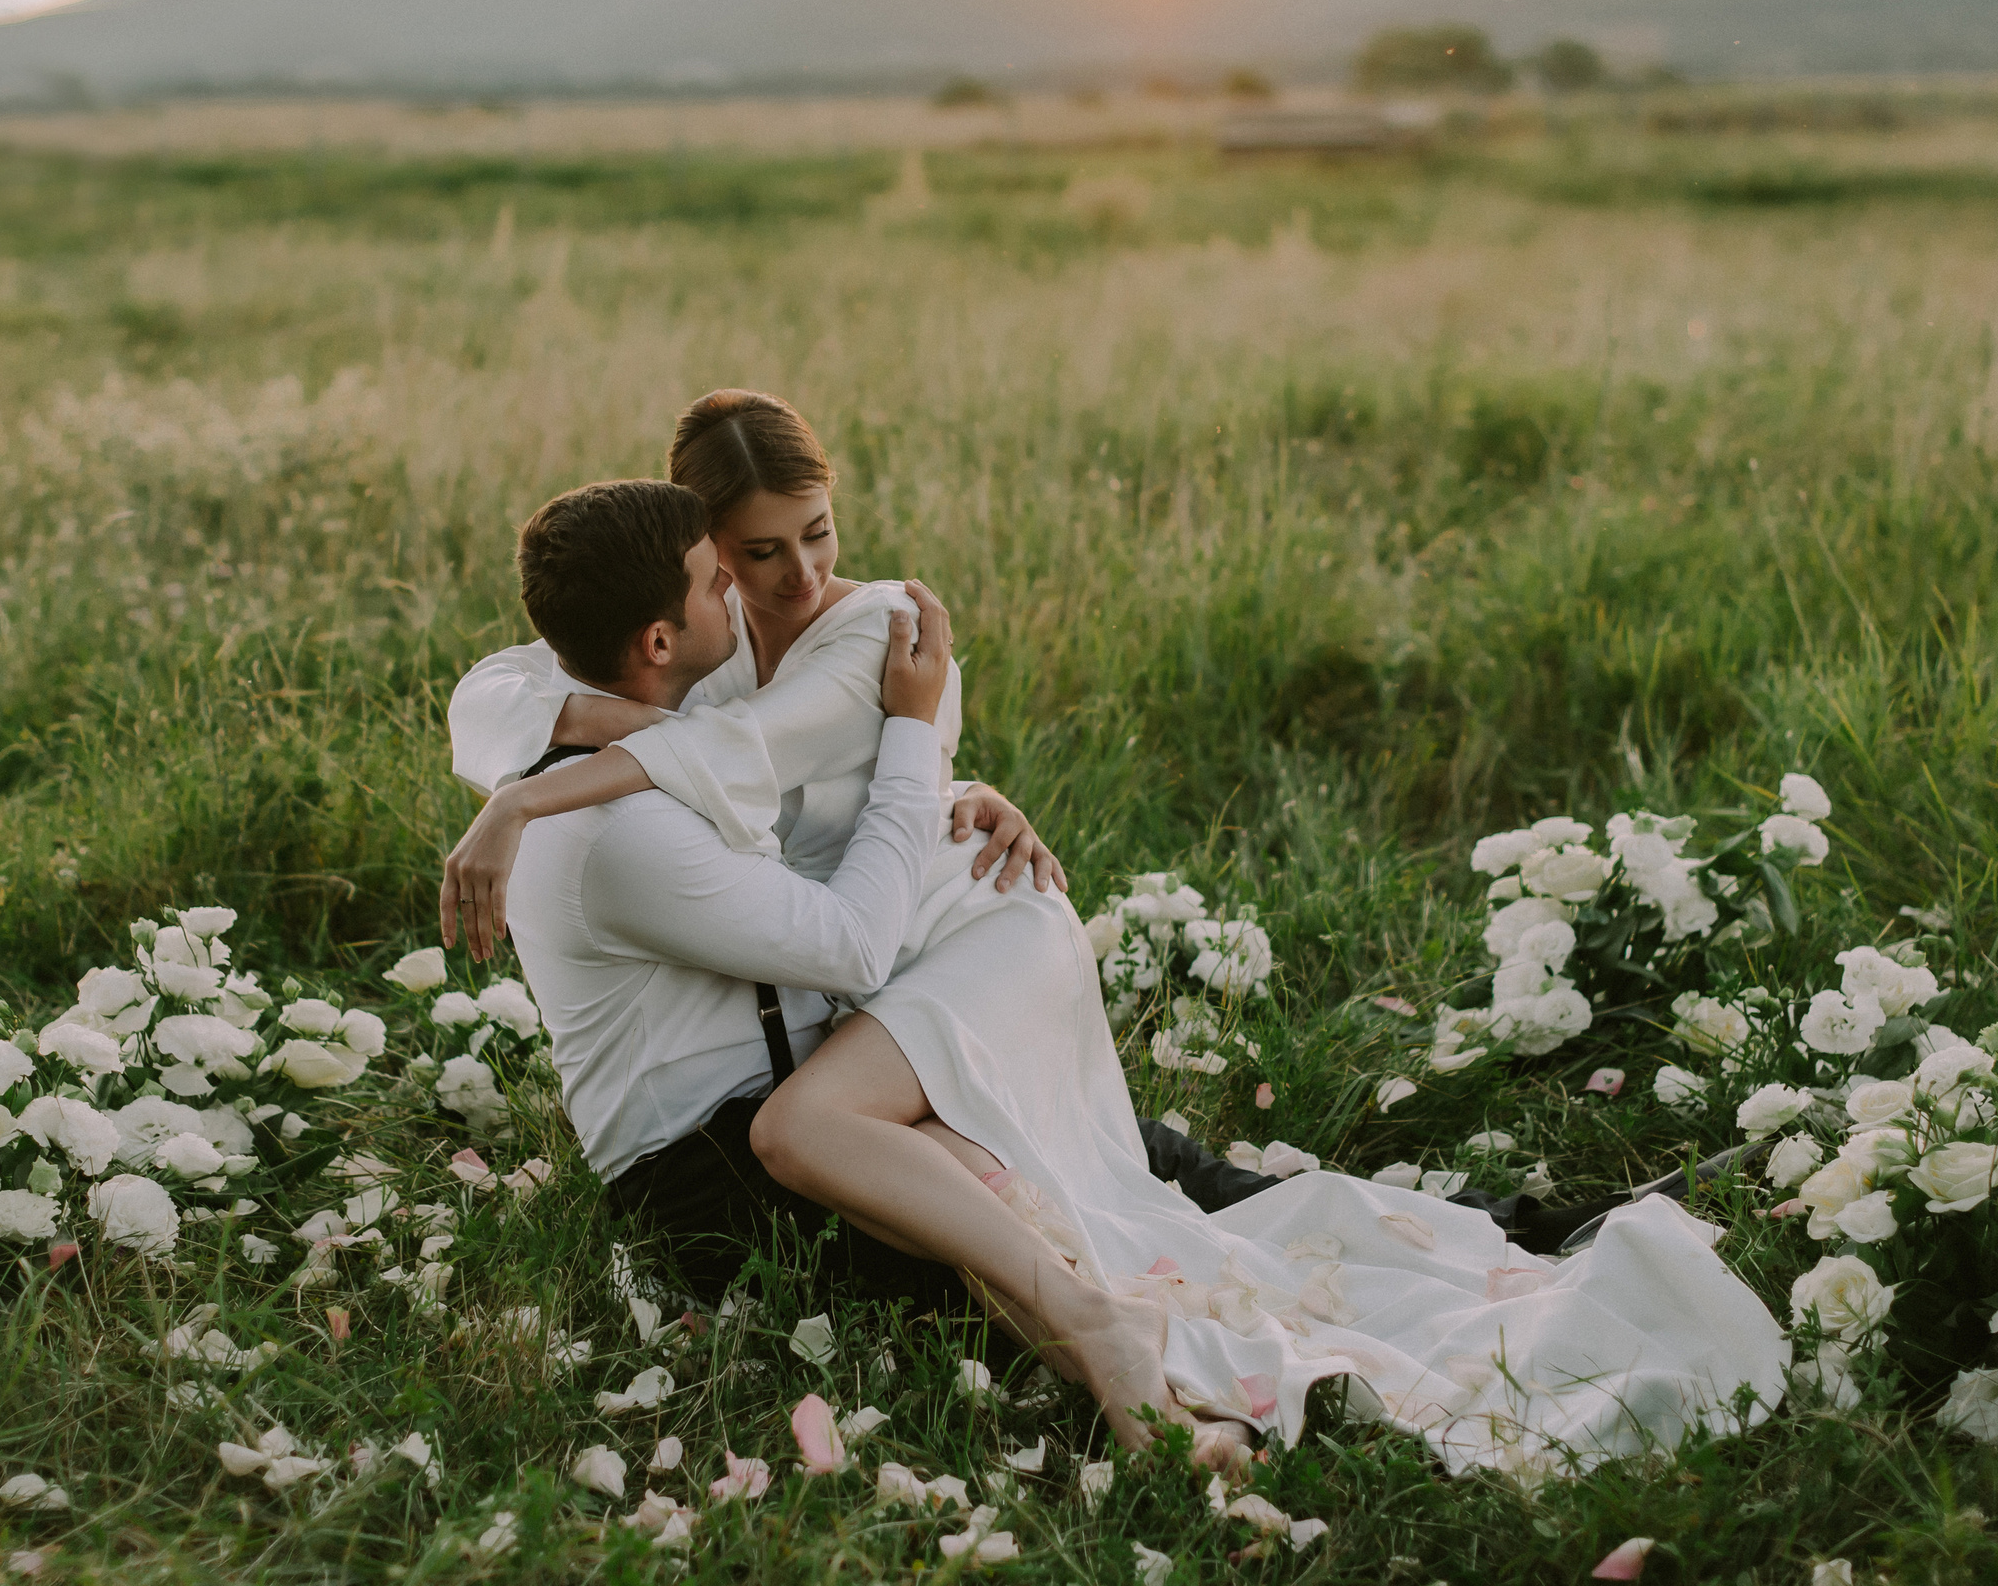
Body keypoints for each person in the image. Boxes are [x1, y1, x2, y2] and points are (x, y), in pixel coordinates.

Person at [450, 391, 1792, 1475]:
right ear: (681, 597)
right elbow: (514, 701)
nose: (788, 580)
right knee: (1123, 1189)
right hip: (803, 1068)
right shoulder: (676, 707)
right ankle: (1189, 1355)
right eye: (744, 559)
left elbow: (773, 767)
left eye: (816, 535)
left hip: (916, 971)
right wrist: (559, 779)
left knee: (1137, 1177)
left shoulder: (867, 631)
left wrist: (920, 766)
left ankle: (1533, 1229)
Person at [479, 476, 1212, 1452]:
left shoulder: (670, 720)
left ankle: (1465, 1221)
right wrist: (911, 736)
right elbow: (852, 939)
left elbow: (781, 803)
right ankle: (1127, 1359)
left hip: (827, 1089)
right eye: (715, 579)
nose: (743, 590)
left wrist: (961, 794)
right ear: (657, 641)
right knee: (1057, 1200)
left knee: (1102, 1144)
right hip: (718, 1174)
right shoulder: (619, 832)